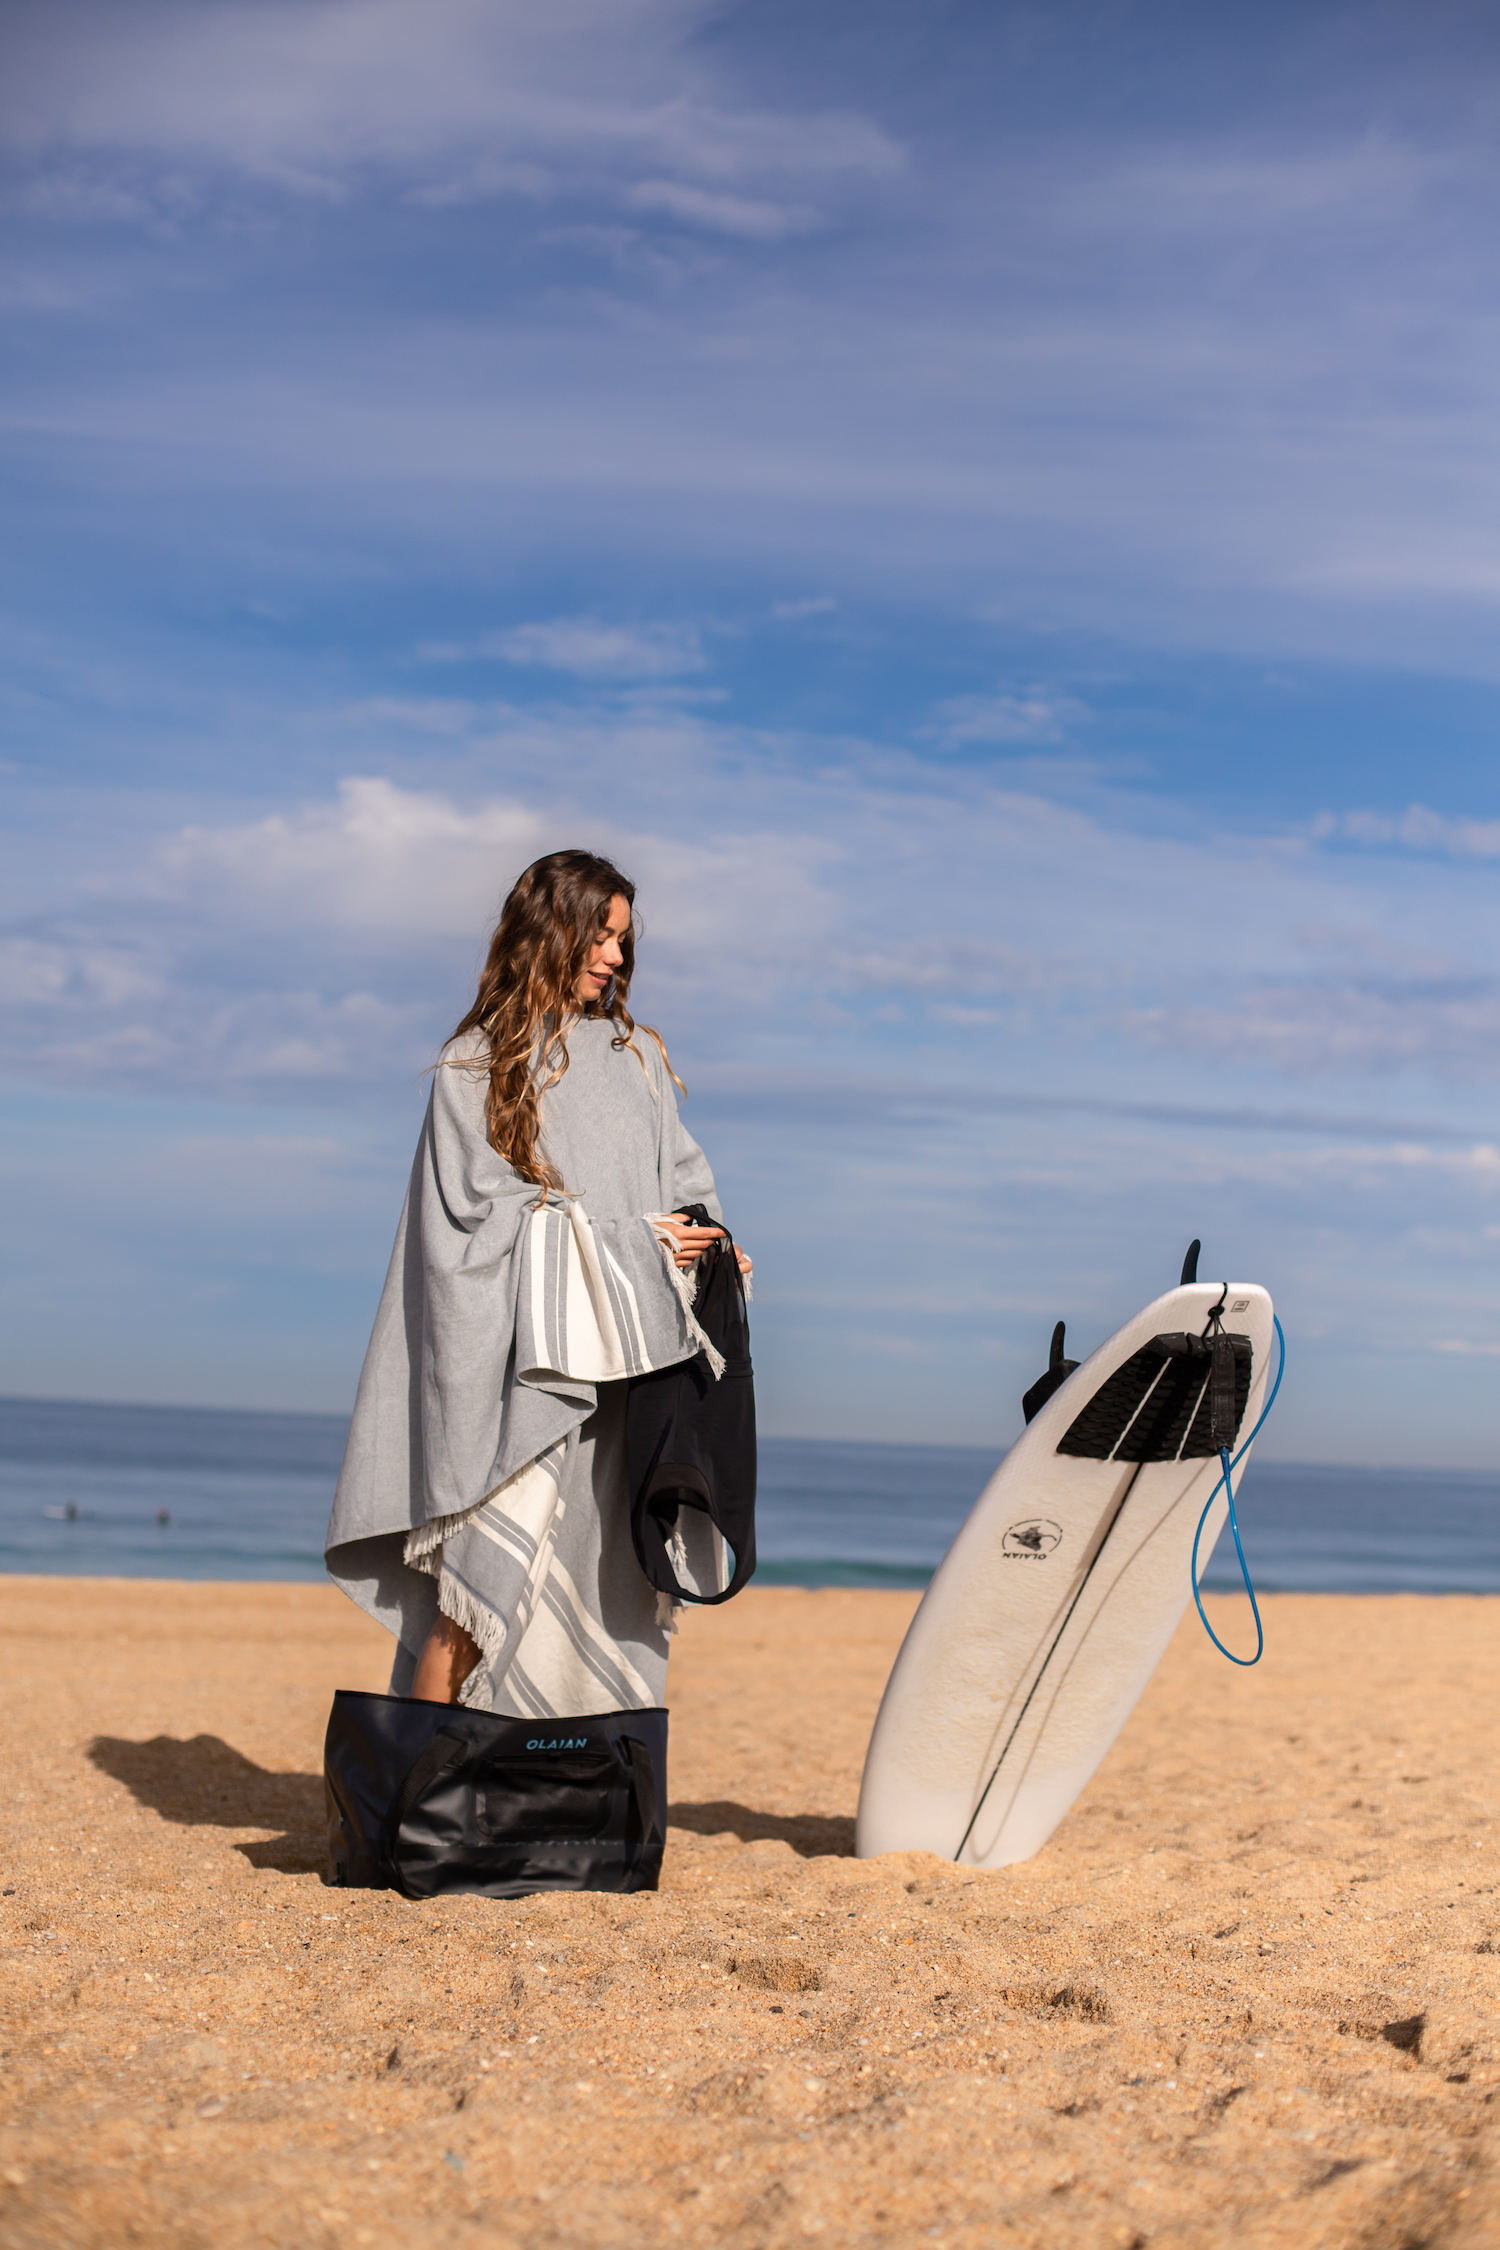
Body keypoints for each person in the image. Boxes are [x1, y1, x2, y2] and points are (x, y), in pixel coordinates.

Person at [324, 850, 750, 1716]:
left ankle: (566, 1813)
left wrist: (708, 1251)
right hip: (521, 1380)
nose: (614, 957)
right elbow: (471, 1224)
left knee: (611, 1596)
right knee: (476, 1597)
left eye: (624, 939)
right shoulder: (475, 1066)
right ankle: (419, 1807)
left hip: (628, 1377)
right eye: (599, 933)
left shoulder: (635, 1061)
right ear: (547, 929)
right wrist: (629, 1245)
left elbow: (686, 1189)